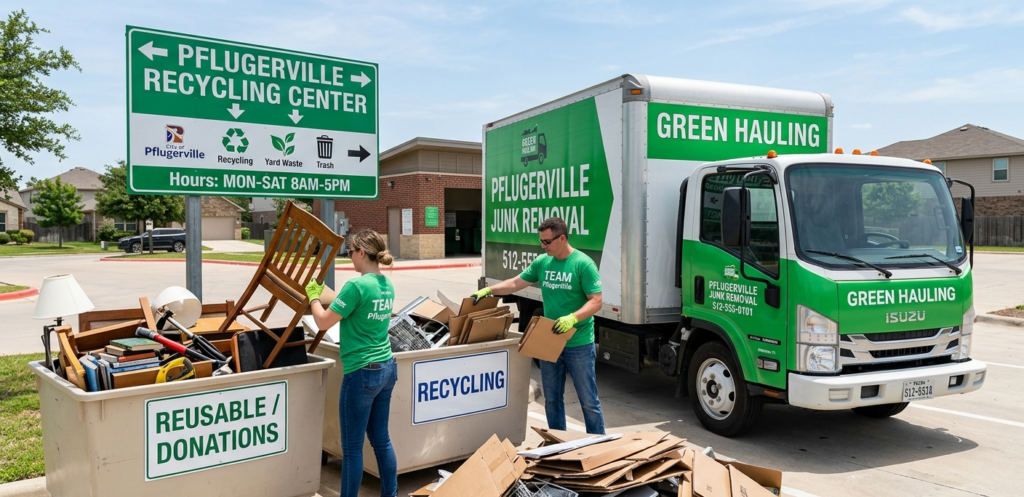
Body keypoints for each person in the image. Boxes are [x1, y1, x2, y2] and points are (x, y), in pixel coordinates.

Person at [471, 217, 605, 434]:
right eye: (541, 242)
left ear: (562, 238)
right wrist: (490, 290)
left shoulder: (583, 264)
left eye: (547, 242)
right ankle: (557, 443)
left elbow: (596, 301)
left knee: (588, 400)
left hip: (578, 342)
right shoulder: (543, 262)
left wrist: (572, 317)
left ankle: (598, 443)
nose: (543, 246)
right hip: (550, 340)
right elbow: (516, 282)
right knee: (552, 399)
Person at [306, 229, 397, 497]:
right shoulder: (385, 284)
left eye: (350, 252)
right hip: (386, 367)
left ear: (361, 252)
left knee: (353, 447)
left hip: (361, 373)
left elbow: (323, 322)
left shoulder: (356, 286)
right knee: (381, 440)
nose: (349, 258)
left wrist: (313, 296)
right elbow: (358, 310)